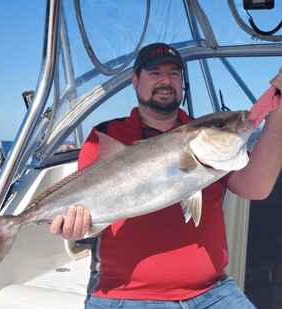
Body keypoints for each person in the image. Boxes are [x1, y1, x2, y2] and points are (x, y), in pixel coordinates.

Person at [50, 43, 282, 308]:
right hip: (125, 297)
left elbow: (256, 189)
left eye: (174, 73)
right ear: (135, 81)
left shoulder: (210, 142)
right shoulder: (106, 136)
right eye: (154, 72)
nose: (166, 80)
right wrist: (76, 226)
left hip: (214, 292)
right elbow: (88, 210)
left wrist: (278, 115)